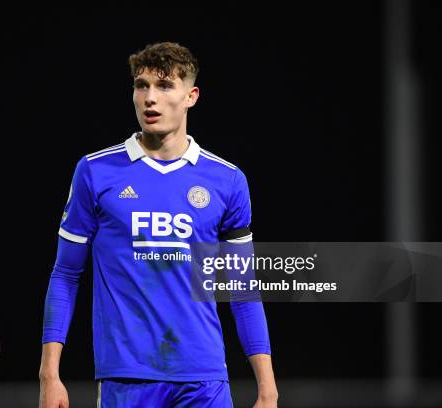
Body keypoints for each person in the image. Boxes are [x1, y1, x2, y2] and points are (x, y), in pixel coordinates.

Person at [39, 42, 278, 408]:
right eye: (141, 85)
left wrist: (267, 388)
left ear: (191, 96)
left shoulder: (227, 180)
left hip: (205, 379)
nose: (150, 98)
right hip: (128, 378)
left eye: (165, 86)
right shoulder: (96, 171)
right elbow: (66, 274)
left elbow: (243, 289)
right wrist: (49, 375)